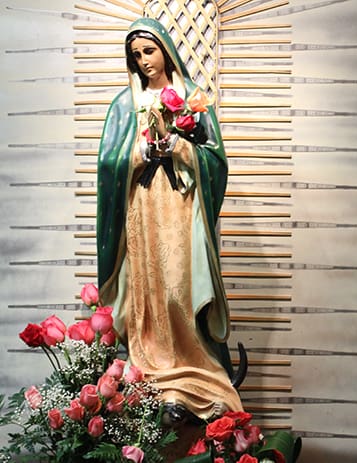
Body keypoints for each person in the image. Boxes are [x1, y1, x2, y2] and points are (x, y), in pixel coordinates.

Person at [96, 18, 244, 424]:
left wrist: (180, 146)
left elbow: (216, 161)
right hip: (142, 208)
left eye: (149, 50)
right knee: (150, 288)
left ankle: (194, 365)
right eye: (136, 55)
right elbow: (108, 164)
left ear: (165, 49)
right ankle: (155, 371)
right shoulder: (125, 104)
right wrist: (139, 154)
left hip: (181, 209)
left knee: (179, 286)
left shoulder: (192, 98)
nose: (143, 61)